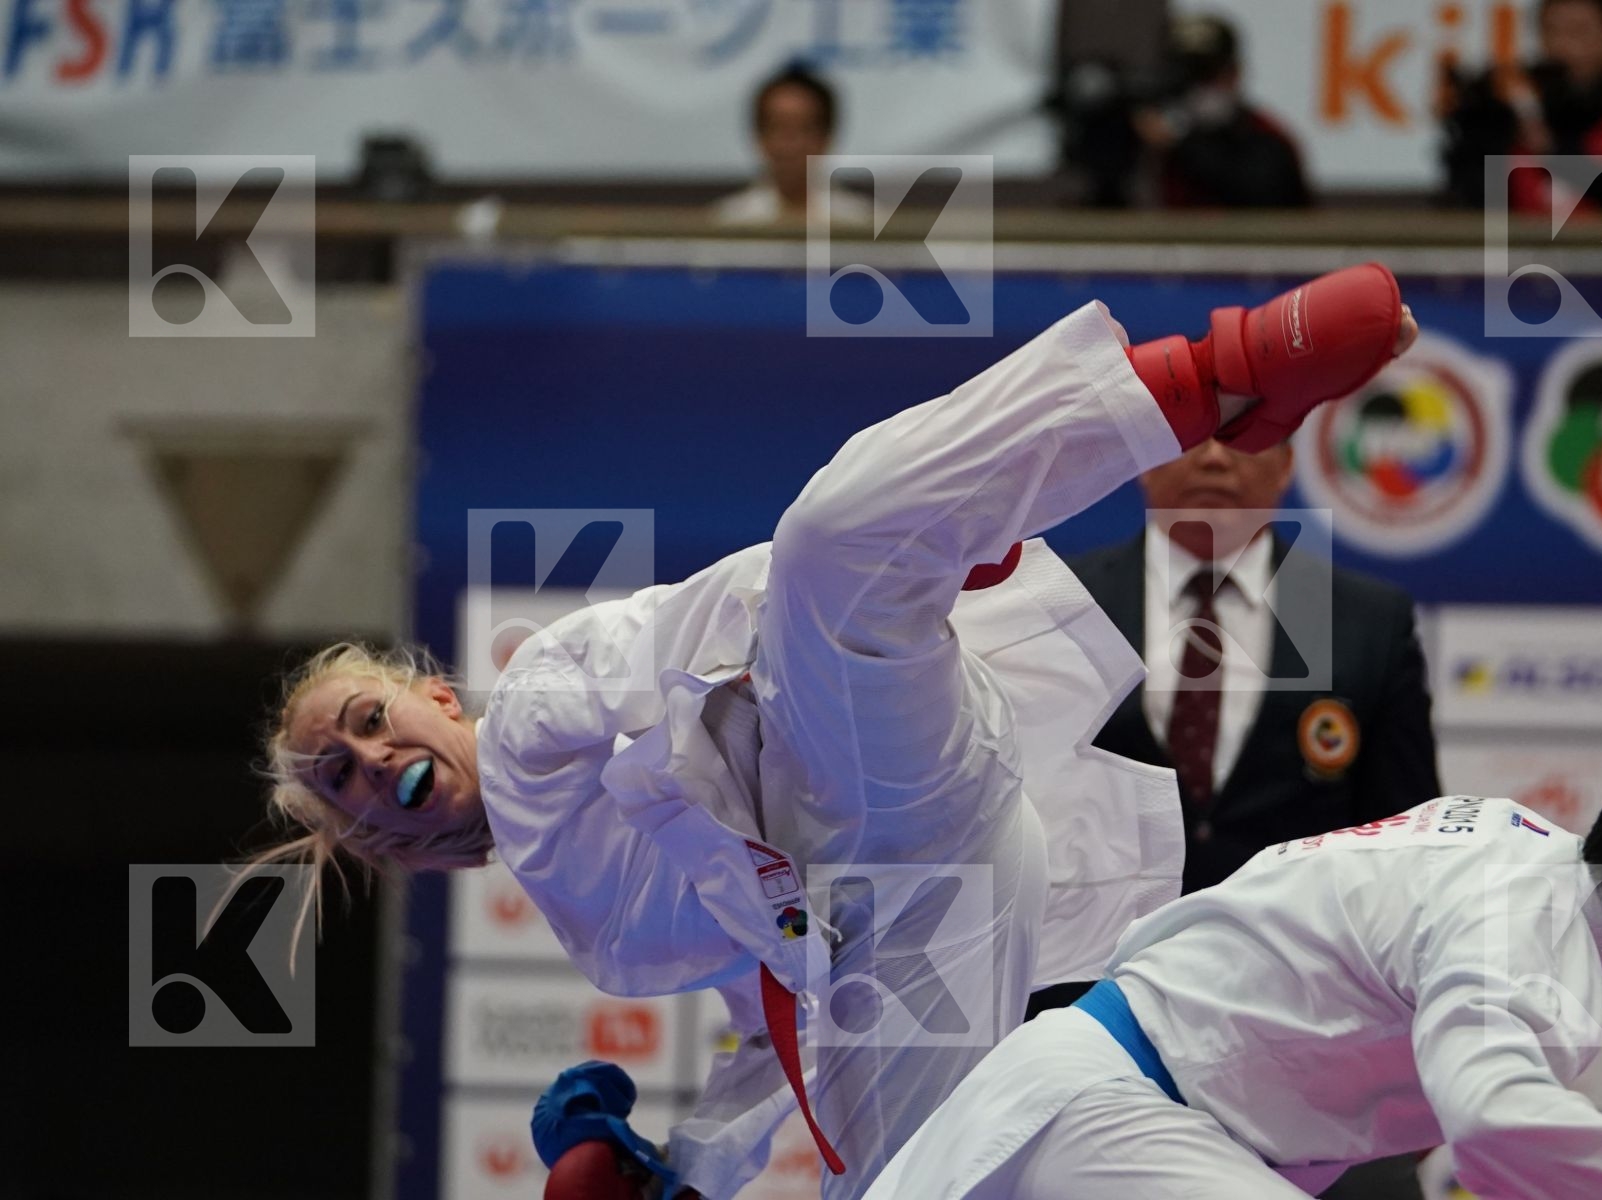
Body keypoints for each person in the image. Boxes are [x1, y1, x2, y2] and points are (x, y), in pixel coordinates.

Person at [262, 264, 1416, 1198]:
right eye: (345, 780)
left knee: (830, 541)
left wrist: (919, 579)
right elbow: (774, 1017)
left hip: (864, 760)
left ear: (437, 696)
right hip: (912, 924)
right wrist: (685, 1164)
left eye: (365, 722)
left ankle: (1215, 376)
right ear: (384, 845)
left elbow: (701, 624)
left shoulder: (533, 720)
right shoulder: (608, 935)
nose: (368, 758)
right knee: (905, 1184)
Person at [864, 710, 1602, 1200]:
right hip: (1118, 1111)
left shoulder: (1527, 854)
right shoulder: (1525, 942)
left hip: (1112, 1102)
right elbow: (1495, 1120)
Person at [1027, 435, 1440, 1200]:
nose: (1216, 458)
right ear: (1142, 453)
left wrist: (1416, 1078)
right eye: (1191, 435)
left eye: (1249, 436)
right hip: (1087, 1041)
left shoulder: (1360, 621)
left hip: (1309, 1056)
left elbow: (1410, 864)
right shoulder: (1056, 607)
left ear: (1287, 463)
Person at [1439, 0, 1602, 211]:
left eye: (1578, 31)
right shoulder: (1518, 114)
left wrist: (1553, 152)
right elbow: (1474, 202)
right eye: (1551, 32)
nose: (1562, 46)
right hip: (1527, 266)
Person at [1134, 13, 1311, 209]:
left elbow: (1259, 194)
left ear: (1234, 73)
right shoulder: (1152, 133)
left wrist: (1181, 141)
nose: (1198, 88)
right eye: (1187, 76)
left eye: (1207, 74)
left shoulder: (1266, 135)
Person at [713, 62, 870, 228]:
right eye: (777, 128)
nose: (790, 146)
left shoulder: (859, 222)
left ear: (826, 137)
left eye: (803, 129)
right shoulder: (730, 222)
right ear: (759, 136)